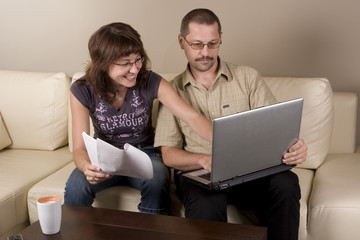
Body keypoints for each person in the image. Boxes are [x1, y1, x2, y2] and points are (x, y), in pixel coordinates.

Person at [154, 8, 308, 239]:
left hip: (251, 172)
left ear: (221, 39)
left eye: (213, 44)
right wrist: (204, 161)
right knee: (206, 202)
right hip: (200, 175)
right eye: (197, 44)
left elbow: (275, 130)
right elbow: (168, 154)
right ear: (181, 41)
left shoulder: (247, 77)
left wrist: (295, 147)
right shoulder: (171, 91)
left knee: (285, 183)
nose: (205, 52)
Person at [64, 22, 212, 215]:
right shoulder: (82, 89)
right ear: (103, 63)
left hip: (146, 153)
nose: (135, 69)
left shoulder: (151, 81)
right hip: (104, 156)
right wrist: (86, 167)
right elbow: (79, 147)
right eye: (126, 64)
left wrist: (224, 147)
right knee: (76, 187)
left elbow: (191, 117)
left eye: (138, 60)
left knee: (157, 179)